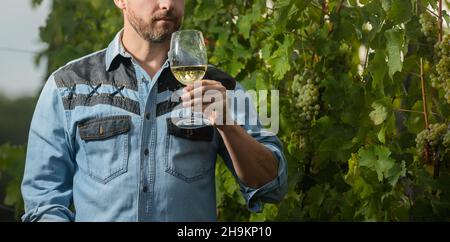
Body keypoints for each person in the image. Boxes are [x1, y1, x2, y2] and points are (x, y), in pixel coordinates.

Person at [21, 0, 287, 222]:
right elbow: (42, 200)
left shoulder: (221, 88)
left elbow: (270, 185)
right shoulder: (68, 86)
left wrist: (228, 124)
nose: (168, 4)